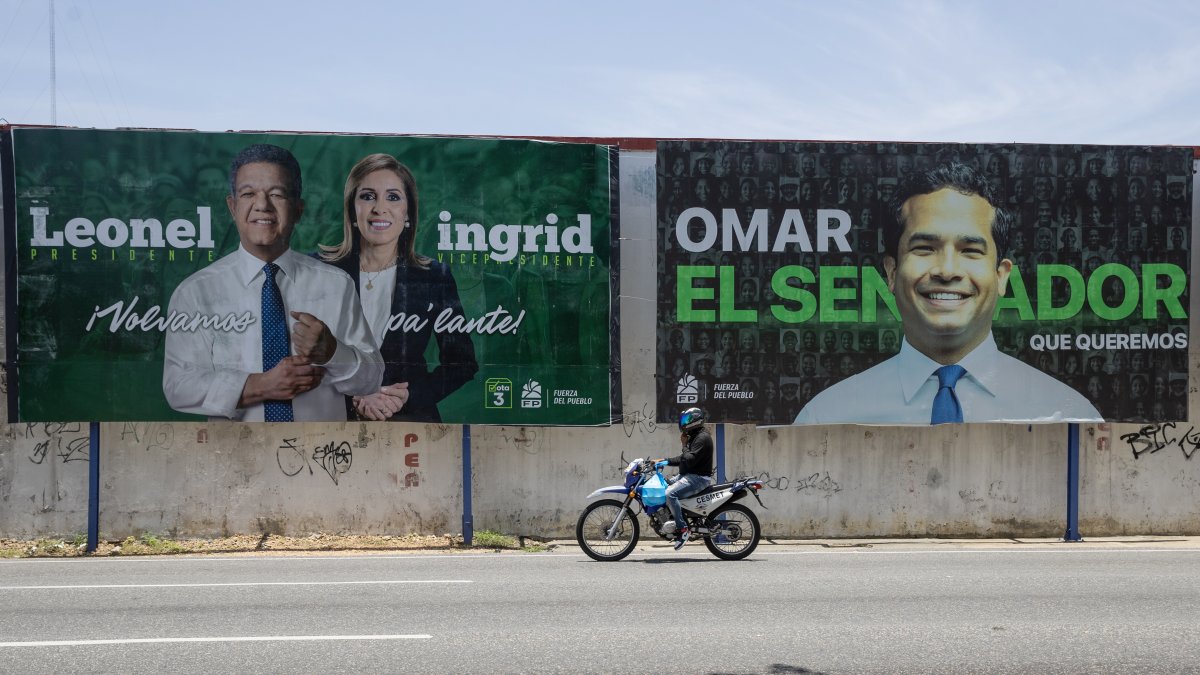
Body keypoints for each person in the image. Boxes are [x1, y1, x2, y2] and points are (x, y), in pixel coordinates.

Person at [794, 161, 1101, 425]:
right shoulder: (825, 417)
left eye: (970, 250)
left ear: (1001, 275)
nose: (947, 270)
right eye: (924, 248)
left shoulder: (1069, 416)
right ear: (891, 272)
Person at [163, 144, 384, 421]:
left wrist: (331, 352)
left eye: (277, 194)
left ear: (298, 209)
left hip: (323, 456)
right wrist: (261, 385)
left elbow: (372, 379)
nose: (262, 205)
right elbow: (178, 387)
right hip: (234, 458)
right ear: (232, 207)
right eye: (248, 194)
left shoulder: (337, 285)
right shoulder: (196, 292)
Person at [319, 153, 479, 421]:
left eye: (393, 197)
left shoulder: (433, 277)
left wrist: (407, 396)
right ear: (352, 209)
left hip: (412, 424)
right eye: (368, 196)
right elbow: (294, 357)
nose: (380, 208)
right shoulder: (318, 271)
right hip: (330, 422)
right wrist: (355, 394)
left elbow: (462, 364)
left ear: (408, 212)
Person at [653, 407, 714, 550]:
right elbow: (684, 459)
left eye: (686, 420)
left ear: (695, 420)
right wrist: (664, 460)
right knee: (664, 484)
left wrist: (684, 445)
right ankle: (675, 518)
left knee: (670, 493)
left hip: (698, 478)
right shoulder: (695, 436)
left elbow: (689, 459)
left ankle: (683, 529)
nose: (683, 423)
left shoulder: (702, 438)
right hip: (688, 476)